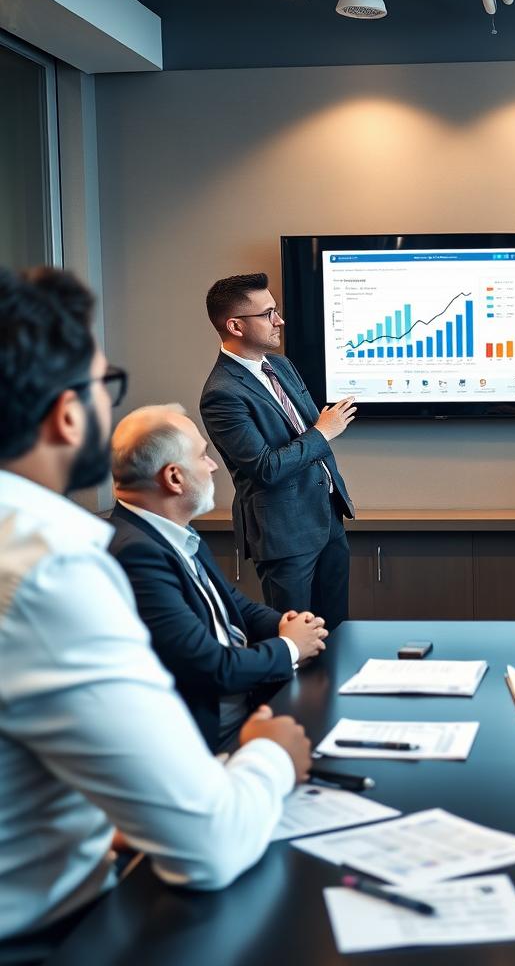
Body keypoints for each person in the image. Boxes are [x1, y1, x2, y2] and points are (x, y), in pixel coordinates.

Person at [0, 267, 310, 959]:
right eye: (104, 384)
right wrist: (271, 758)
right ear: (67, 413)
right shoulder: (51, 566)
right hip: (53, 936)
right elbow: (209, 845)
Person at [108, 404, 329, 753]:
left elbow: (232, 605)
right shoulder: (136, 554)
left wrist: (287, 622)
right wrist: (290, 647)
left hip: (246, 713)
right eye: (203, 456)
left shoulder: (170, 532)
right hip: (210, 743)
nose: (212, 466)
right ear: (174, 478)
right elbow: (211, 667)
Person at [200, 272, 356, 628]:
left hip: (327, 518)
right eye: (268, 313)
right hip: (285, 532)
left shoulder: (280, 366)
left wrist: (320, 431)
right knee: (296, 639)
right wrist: (323, 432)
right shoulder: (221, 393)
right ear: (236, 326)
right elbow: (266, 468)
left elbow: (305, 427)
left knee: (337, 630)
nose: (279, 320)